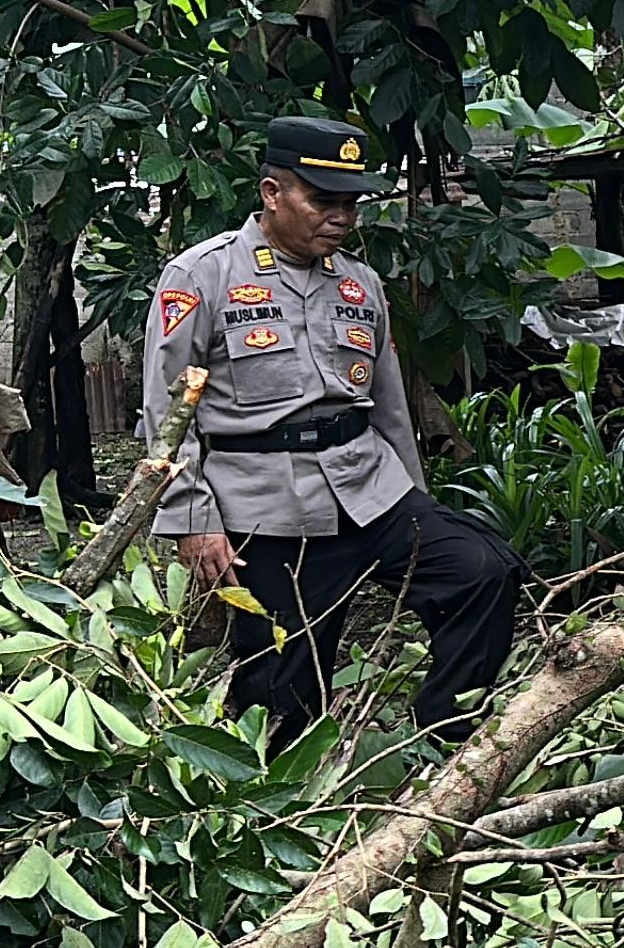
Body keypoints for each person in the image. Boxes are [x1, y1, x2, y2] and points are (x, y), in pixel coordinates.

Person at [146, 118, 523, 748]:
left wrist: (415, 496)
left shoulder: (359, 283)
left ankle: (445, 738)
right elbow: (166, 409)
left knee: (483, 571)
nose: (341, 216)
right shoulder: (202, 277)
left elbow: (389, 404)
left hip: (367, 487)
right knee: (283, 694)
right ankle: (275, 815)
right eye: (323, 200)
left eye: (350, 203)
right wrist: (191, 519)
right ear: (271, 193)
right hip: (263, 509)